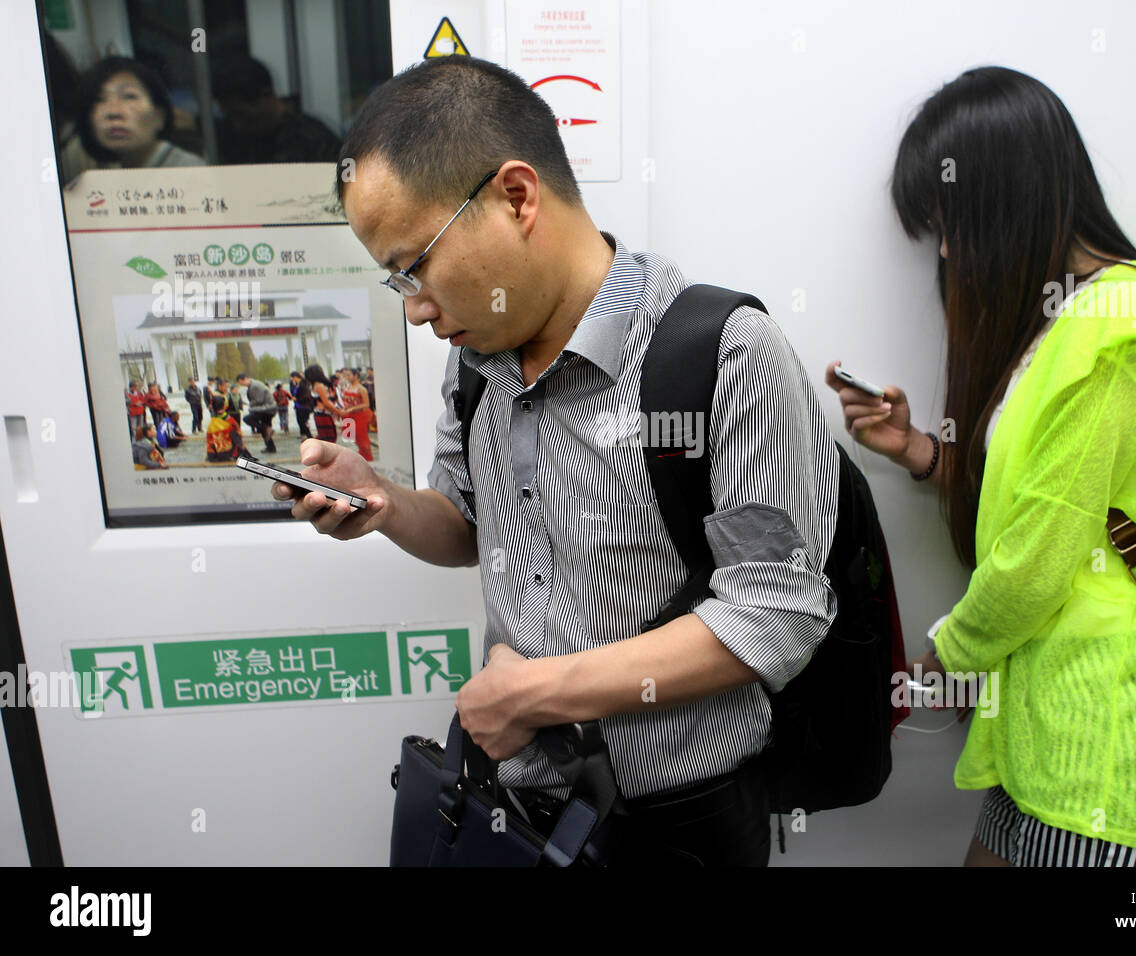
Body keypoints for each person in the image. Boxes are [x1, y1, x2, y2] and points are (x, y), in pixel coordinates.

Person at [272, 56, 839, 867]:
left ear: (515, 196)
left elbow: (775, 614)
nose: (418, 308)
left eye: (416, 265)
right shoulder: (477, 359)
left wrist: (534, 693)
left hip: (677, 822)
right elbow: (469, 523)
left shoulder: (721, 354)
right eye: (396, 281)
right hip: (516, 808)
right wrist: (386, 504)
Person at [828, 66, 1136, 867]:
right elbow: (1047, 504)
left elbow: (1039, 560)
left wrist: (938, 664)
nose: (947, 249)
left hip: (1113, 765)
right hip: (1044, 750)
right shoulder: (1066, 323)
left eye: (949, 222)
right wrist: (922, 453)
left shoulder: (1125, 328)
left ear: (1005, 194)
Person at [74, 57, 204, 170]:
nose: (113, 112)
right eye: (99, 99)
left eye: (129, 96)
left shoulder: (188, 171)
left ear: (160, 116)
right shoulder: (110, 177)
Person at [211, 56, 342, 165]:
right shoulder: (232, 138)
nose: (237, 125)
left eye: (243, 116)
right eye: (231, 116)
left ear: (267, 96)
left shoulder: (314, 140)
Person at [337, 367, 373, 462]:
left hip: (359, 417)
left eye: (349, 375)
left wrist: (351, 408)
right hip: (349, 417)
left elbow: (366, 404)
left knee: (362, 440)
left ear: (356, 376)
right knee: (352, 439)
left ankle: (367, 459)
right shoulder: (348, 388)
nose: (347, 377)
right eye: (346, 375)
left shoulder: (361, 389)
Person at [302, 365, 345, 444]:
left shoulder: (314, 385)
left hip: (320, 414)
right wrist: (339, 412)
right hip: (323, 415)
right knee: (329, 439)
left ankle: (309, 444)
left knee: (326, 438)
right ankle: (309, 445)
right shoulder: (319, 386)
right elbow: (326, 402)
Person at [237, 373, 278, 454]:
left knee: (247, 419)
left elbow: (258, 400)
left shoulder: (254, 386)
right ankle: (271, 447)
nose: (242, 385)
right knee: (264, 431)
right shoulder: (253, 384)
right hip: (268, 408)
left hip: (267, 409)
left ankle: (267, 430)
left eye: (241, 383)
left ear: (244, 379)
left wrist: (251, 407)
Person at [205, 395, 244, 463]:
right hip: (228, 452)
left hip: (214, 455)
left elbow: (209, 441)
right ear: (224, 406)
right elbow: (238, 431)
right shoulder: (228, 419)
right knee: (235, 433)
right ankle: (234, 454)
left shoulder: (211, 424)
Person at [289, 371, 314, 439]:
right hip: (299, 406)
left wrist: (296, 399)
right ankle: (304, 435)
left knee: (303, 422)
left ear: (295, 377)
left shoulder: (303, 385)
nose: (292, 380)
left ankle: (309, 436)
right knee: (300, 421)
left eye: (292, 378)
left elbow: (305, 396)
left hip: (303, 406)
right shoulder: (298, 384)